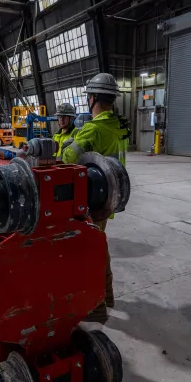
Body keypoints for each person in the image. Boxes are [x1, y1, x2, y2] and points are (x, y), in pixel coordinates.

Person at [62, 73, 130, 321]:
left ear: (92, 99)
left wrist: (68, 142)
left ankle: (96, 306)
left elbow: (68, 157)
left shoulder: (93, 129)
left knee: (89, 252)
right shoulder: (119, 127)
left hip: (93, 199)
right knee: (100, 246)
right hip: (111, 197)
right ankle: (108, 296)